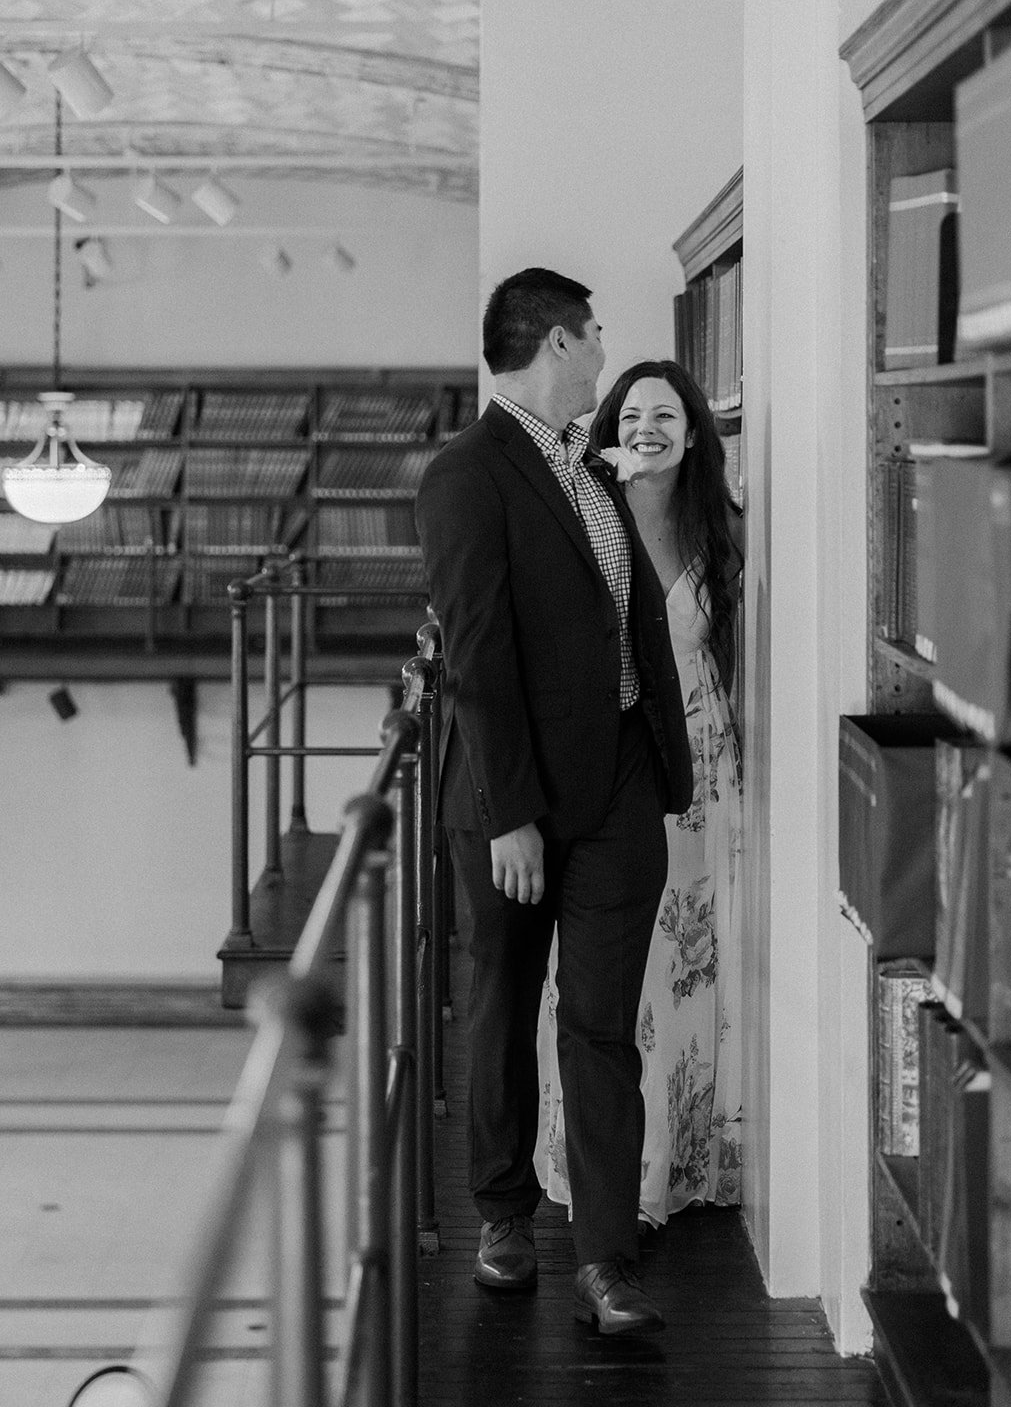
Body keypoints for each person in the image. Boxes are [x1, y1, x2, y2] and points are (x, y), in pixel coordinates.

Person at [415, 271, 693, 1335]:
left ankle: (608, 1260)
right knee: (502, 1002)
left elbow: (626, 618)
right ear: (557, 344)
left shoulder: (593, 468)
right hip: (512, 798)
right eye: (594, 335)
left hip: (620, 778)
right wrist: (509, 815)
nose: (604, 352)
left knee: (599, 1024)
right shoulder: (464, 474)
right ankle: (501, 1217)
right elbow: (476, 655)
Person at [535, 359, 744, 1228]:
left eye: (664, 416)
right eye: (629, 416)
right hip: (611, 756)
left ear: (693, 434)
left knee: (683, 958)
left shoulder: (722, 528)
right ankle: (607, 1174)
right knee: (606, 964)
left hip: (696, 760)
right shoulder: (590, 512)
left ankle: (672, 1161)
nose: (645, 430)